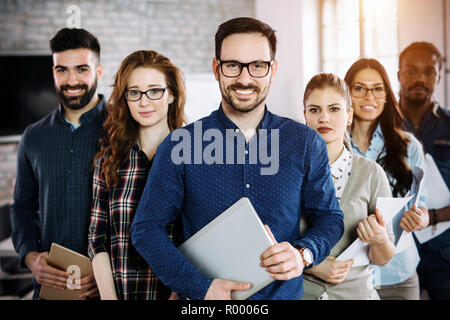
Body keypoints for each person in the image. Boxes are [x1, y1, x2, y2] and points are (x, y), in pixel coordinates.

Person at [130, 17, 344, 300]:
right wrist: (199, 286)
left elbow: (330, 218)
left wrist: (303, 254)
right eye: (233, 66)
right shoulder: (179, 146)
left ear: (273, 70)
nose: (245, 79)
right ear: (216, 69)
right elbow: (146, 229)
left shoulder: (305, 143)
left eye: (257, 66)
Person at [10, 28, 105, 299]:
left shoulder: (122, 130)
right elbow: (22, 207)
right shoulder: (33, 136)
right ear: (53, 73)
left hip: (110, 289)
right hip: (51, 289)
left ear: (98, 72)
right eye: (62, 70)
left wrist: (111, 273)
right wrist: (30, 257)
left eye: (81, 69)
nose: (71, 79)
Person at [87, 50, 186, 300]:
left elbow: (195, 240)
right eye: (134, 92)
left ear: (172, 94)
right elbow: (97, 239)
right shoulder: (108, 162)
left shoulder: (192, 159)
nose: (144, 102)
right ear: (125, 98)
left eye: (155, 91)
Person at [302, 73, 395, 300]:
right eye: (315, 110)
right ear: (305, 117)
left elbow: (384, 256)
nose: (324, 118)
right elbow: (270, 240)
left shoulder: (372, 174)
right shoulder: (288, 172)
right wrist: (310, 263)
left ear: (349, 115)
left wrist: (379, 238)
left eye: (334, 109)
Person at [344, 58, 428, 300]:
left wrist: (418, 218)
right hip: (349, 277)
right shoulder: (332, 147)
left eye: (377, 89)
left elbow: (421, 204)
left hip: (398, 275)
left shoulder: (409, 147)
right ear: (347, 94)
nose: (368, 96)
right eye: (359, 88)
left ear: (386, 96)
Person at [398, 41, 450, 300]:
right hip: (395, 252)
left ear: (439, 76)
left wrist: (433, 215)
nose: (419, 78)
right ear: (398, 75)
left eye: (429, 71)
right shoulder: (382, 126)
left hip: (445, 253)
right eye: (411, 71)